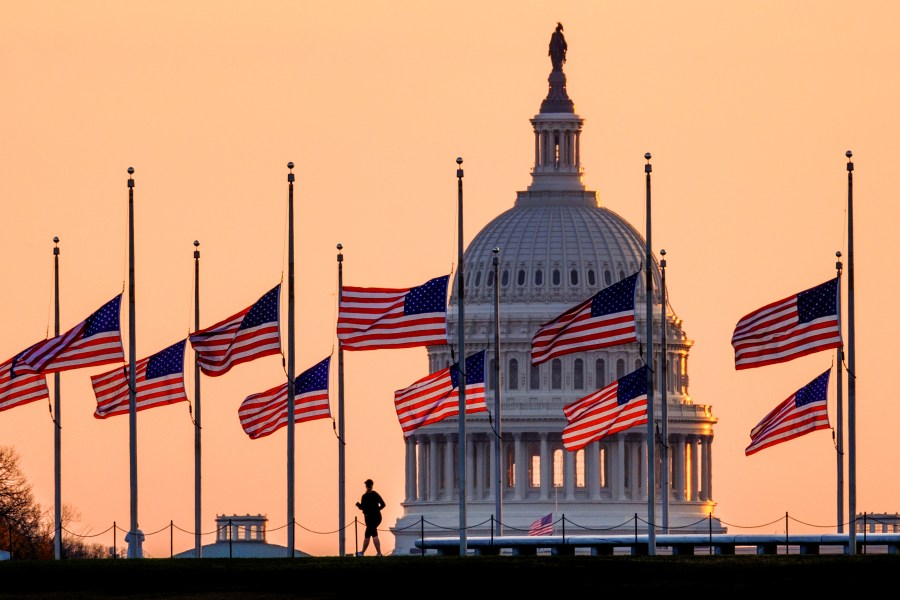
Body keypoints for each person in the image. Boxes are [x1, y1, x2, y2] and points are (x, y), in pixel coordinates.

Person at [355, 478, 385, 556]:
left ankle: (378, 553)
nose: (368, 487)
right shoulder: (368, 495)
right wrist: (359, 505)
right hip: (371, 517)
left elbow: (383, 504)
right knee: (368, 533)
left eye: (368, 485)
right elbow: (383, 505)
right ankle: (362, 552)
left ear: (370, 486)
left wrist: (375, 510)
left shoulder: (368, 495)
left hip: (373, 518)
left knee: (373, 533)